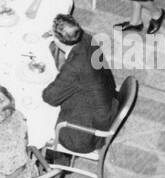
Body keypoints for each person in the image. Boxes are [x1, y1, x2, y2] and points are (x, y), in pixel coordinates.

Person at [42, 13, 118, 155]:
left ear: (59, 40)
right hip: (106, 104)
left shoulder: (74, 68)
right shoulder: (88, 39)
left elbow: (49, 97)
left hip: (85, 134)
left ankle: (59, 157)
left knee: (41, 117)